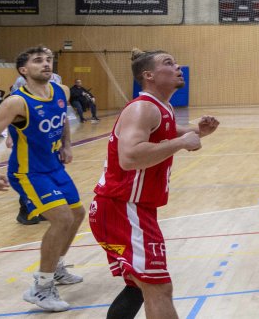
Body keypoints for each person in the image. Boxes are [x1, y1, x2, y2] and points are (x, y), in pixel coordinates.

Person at [89, 49, 218, 319]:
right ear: (148, 75)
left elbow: (169, 131)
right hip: (123, 207)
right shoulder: (143, 108)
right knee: (158, 287)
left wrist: (197, 130)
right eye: (168, 63)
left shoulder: (162, 108)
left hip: (129, 208)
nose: (178, 66)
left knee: (140, 286)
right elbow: (129, 157)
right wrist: (181, 143)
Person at [0, 46, 84, 312]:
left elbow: (62, 120)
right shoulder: (17, 101)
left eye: (48, 60)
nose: (46, 64)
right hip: (28, 172)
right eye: (38, 61)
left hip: (54, 167)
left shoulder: (62, 91)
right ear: (23, 70)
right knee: (62, 218)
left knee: (78, 214)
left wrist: (67, 145)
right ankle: (41, 288)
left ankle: (56, 267)